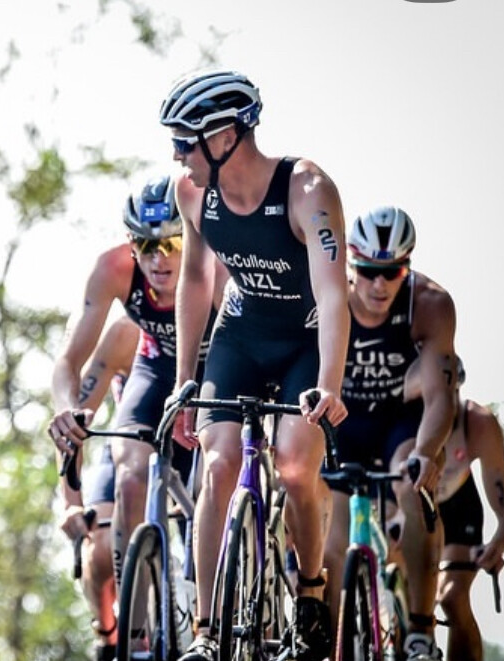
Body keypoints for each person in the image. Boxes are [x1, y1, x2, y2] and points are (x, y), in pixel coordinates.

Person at [161, 69, 351, 661]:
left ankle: (311, 590)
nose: (177, 154)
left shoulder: (308, 189)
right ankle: (205, 631)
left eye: (184, 141)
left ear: (225, 137)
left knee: (294, 467)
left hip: (304, 340)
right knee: (217, 463)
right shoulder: (190, 191)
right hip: (241, 335)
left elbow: (333, 294)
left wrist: (328, 386)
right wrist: (184, 383)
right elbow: (196, 280)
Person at [48, 176, 220, 634]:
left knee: (216, 483)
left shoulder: (218, 266)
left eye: (172, 244)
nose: (157, 259)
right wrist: (65, 410)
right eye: (145, 245)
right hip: (156, 373)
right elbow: (69, 366)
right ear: (130, 244)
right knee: (128, 478)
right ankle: (132, 631)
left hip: (216, 376)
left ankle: (212, 622)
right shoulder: (115, 274)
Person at [321, 206, 459, 660]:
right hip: (344, 420)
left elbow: (440, 397)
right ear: (351, 265)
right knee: (333, 543)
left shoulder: (430, 304)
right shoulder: (327, 296)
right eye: (368, 272)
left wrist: (427, 452)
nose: (380, 285)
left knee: (413, 483)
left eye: (393, 271)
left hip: (399, 422)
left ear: (408, 266)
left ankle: (420, 629)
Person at [404, 358, 504, 661]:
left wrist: (495, 547)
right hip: (411, 505)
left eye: (449, 393)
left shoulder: (479, 423)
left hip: (456, 504)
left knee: (452, 598)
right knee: (405, 601)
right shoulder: (402, 421)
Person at [56, 316, 139, 661]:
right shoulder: (124, 333)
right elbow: (72, 423)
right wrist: (71, 503)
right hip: (129, 441)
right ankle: (108, 636)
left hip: (195, 443)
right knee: (101, 543)